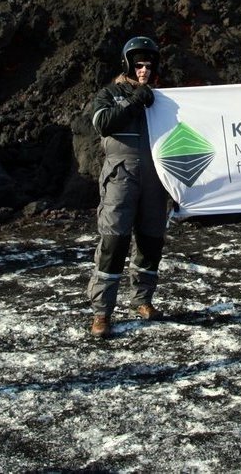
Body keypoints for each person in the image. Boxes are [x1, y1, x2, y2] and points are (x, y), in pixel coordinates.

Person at [86, 36, 170, 338]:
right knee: (113, 243)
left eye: (149, 65)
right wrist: (136, 101)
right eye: (138, 65)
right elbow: (103, 123)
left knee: (151, 241)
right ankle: (102, 312)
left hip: (156, 178)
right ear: (128, 65)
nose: (144, 70)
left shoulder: (164, 99)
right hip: (120, 175)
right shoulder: (110, 93)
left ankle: (143, 300)